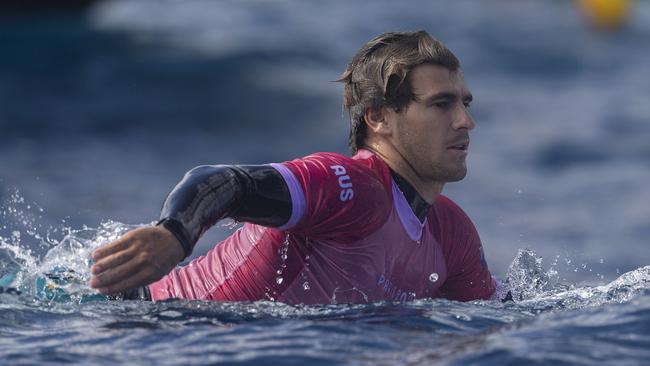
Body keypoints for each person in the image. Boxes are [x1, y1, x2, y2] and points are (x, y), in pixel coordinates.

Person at [89, 30, 499, 304]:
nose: (466, 121)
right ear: (378, 118)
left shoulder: (450, 232)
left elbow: (503, 323)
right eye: (441, 104)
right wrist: (173, 236)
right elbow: (224, 182)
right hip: (150, 327)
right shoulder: (351, 189)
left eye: (465, 103)